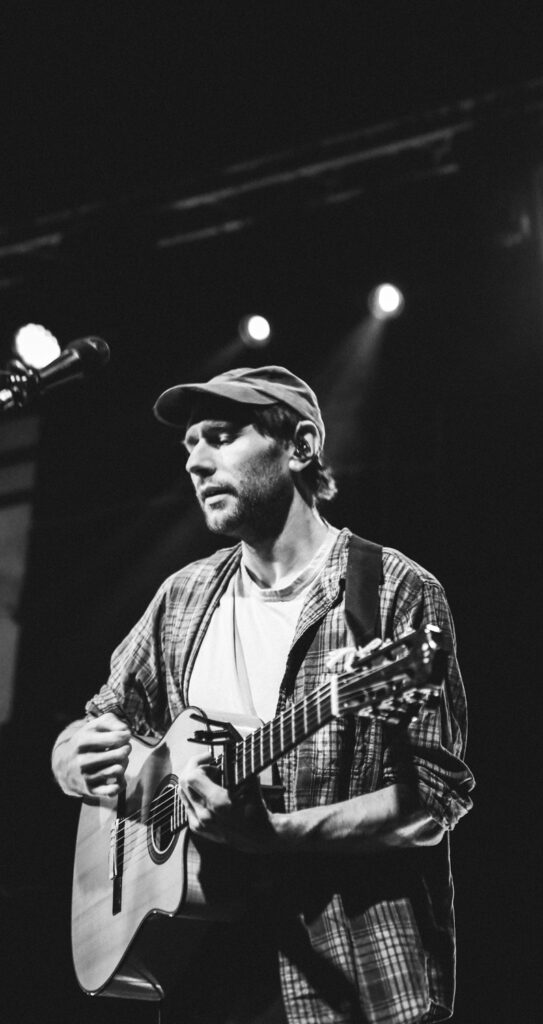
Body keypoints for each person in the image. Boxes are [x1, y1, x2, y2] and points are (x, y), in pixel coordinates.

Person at [51, 365, 474, 1024]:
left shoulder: (389, 590)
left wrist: (274, 834)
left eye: (219, 436)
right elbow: (97, 720)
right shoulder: (183, 595)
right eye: (189, 447)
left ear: (300, 446)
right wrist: (73, 758)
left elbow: (431, 797)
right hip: (200, 969)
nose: (196, 462)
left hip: (351, 968)